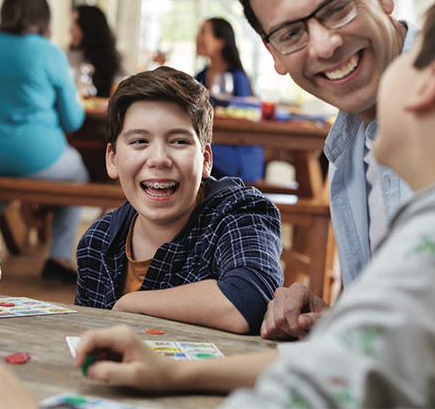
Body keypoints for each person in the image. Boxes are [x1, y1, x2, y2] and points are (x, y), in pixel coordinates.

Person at [0, 0, 435, 409]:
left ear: (426, 83)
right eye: (138, 142)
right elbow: (343, 363)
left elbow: (309, 387)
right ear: (114, 158)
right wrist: (175, 372)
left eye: (407, 54)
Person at [237, 0, 416, 340]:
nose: (323, 45)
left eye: (336, 8)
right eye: (291, 34)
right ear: (275, 55)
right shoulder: (346, 146)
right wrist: (336, 320)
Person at [74, 66, 283, 334]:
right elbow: (81, 336)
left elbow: (251, 299)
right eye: (139, 141)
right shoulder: (97, 242)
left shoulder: (240, 214)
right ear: (112, 160)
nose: (159, 158)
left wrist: (132, 304)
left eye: (179, 141)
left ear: (206, 160)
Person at [0, 0, 88, 284]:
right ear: (44, 17)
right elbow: (73, 120)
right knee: (78, 174)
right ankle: (59, 256)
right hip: (37, 156)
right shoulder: (52, 53)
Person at [195, 17, 264, 183]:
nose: (197, 38)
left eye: (203, 32)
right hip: (212, 147)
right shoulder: (200, 76)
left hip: (238, 154)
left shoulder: (238, 77)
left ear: (220, 42)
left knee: (191, 150)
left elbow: (244, 118)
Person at [67, 5, 127, 98]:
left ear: (89, 27)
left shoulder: (113, 60)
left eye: (75, 24)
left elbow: (125, 90)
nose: (70, 30)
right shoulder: (67, 56)